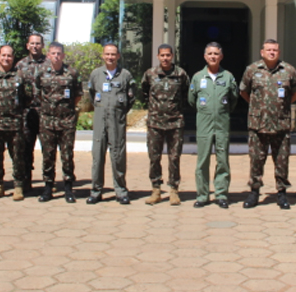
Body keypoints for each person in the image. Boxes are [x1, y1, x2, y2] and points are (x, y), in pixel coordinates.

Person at [239, 39, 296, 209]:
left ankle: (281, 193)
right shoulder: (252, 70)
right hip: (258, 124)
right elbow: (244, 91)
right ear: (262, 52)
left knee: (281, 161)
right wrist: (256, 106)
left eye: (275, 50)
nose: (272, 52)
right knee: (256, 160)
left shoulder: (289, 70)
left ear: (279, 52)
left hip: (280, 124)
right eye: (268, 50)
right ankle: (254, 193)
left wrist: (283, 107)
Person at [188, 42, 238, 208]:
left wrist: (222, 112)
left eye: (216, 54)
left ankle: (221, 195)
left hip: (222, 125)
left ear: (221, 56)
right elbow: (191, 99)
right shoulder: (197, 77)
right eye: (210, 53)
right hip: (204, 124)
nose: (213, 56)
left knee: (223, 160)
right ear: (205, 56)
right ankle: (202, 196)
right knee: (202, 161)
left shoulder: (228, 77)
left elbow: (233, 99)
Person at [141, 44, 190, 206]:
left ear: (172, 56)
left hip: (175, 122)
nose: (165, 58)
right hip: (155, 123)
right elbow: (144, 93)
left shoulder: (180, 74)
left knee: (174, 157)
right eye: (162, 55)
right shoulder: (150, 74)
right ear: (157, 56)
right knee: (154, 157)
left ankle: (174, 190)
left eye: (168, 55)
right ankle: (156, 189)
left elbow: (186, 94)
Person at [87, 44, 136, 205]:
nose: (110, 57)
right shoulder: (96, 74)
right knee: (98, 156)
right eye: (107, 54)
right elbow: (92, 95)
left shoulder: (125, 75)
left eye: (113, 54)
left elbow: (131, 99)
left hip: (117, 121)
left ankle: (121, 191)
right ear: (103, 55)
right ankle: (96, 191)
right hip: (100, 120)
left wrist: (118, 111)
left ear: (118, 56)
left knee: (118, 156)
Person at [0, 45, 32, 201]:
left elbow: (28, 97)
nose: (6, 58)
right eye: (3, 55)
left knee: (18, 157)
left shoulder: (20, 76)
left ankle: (18, 186)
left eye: (9, 56)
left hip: (15, 124)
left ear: (13, 57)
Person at [35, 42, 83, 203]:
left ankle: (68, 188)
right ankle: (48, 187)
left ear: (63, 55)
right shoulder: (41, 72)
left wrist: (65, 110)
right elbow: (38, 94)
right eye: (53, 53)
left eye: (59, 53)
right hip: (47, 121)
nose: (56, 56)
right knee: (48, 155)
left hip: (66, 121)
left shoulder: (71, 73)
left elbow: (78, 95)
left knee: (67, 155)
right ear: (48, 55)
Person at [16, 34, 47, 191]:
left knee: (47, 149)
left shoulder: (50, 64)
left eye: (38, 43)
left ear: (43, 45)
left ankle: (49, 182)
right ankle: (25, 181)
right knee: (25, 148)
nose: (35, 46)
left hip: (45, 113)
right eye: (32, 43)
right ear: (27, 45)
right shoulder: (20, 65)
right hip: (27, 113)